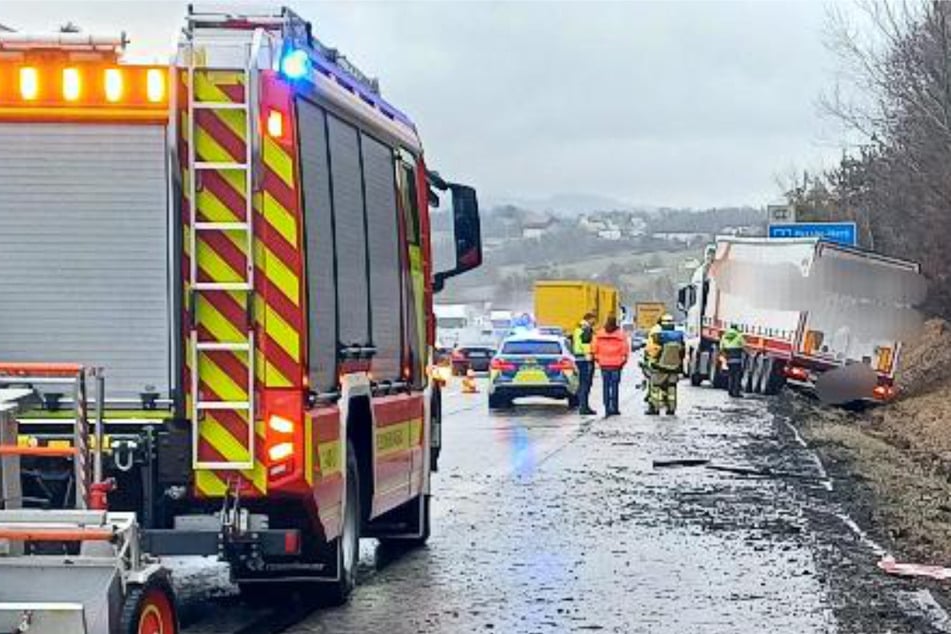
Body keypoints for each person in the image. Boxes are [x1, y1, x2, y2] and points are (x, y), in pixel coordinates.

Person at [645, 314, 684, 415]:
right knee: (672, 388)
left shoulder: (657, 335)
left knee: (656, 388)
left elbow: (652, 351)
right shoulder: (678, 336)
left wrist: (651, 361)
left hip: (660, 367)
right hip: (674, 367)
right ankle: (671, 408)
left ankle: (655, 408)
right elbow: (682, 352)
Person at [592, 315, 630, 417]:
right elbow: (625, 349)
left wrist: (598, 359)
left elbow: (594, 348)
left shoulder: (600, 334)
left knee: (605, 386)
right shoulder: (620, 335)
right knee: (614, 386)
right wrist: (623, 361)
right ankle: (615, 407)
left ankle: (607, 407)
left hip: (604, 364)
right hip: (616, 364)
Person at [572, 312, 597, 415]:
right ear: (589, 319)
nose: (594, 322)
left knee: (583, 383)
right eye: (593, 320)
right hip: (585, 359)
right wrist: (589, 356)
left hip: (579, 358)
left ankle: (583, 406)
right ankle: (584, 407)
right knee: (585, 384)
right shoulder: (586, 328)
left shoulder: (578, 328)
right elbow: (585, 344)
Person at [721, 324, 746, 397]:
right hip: (737, 360)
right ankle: (736, 392)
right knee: (737, 376)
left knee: (731, 376)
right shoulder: (739, 336)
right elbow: (744, 345)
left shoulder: (724, 336)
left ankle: (730, 391)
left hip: (729, 360)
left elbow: (721, 347)